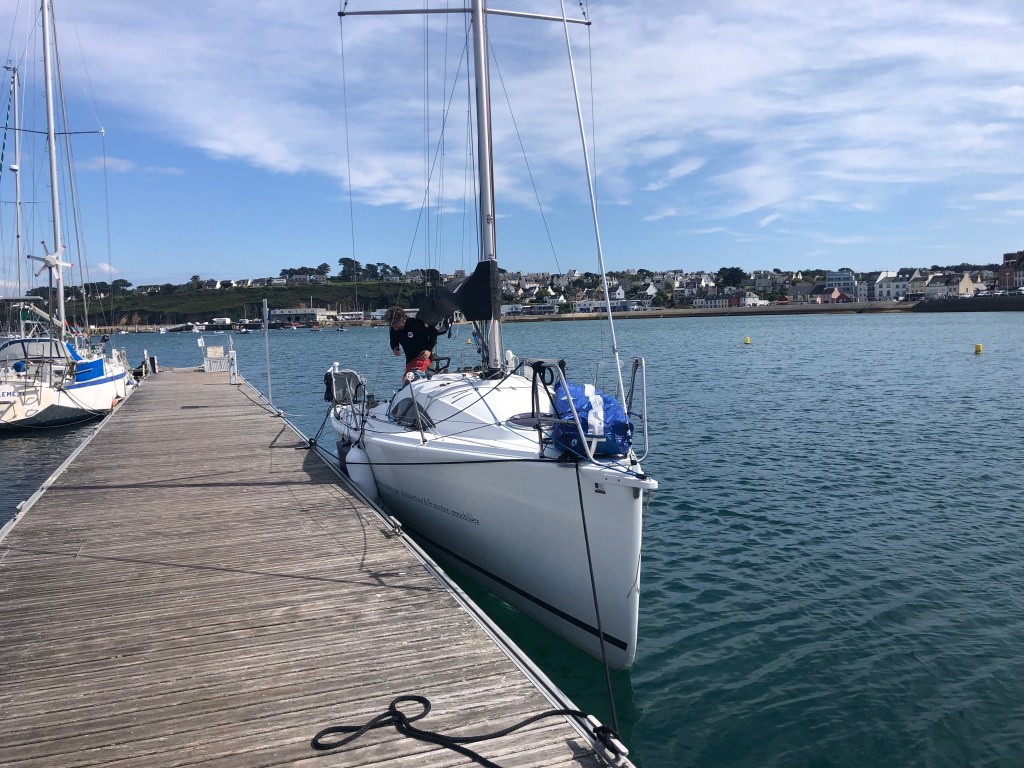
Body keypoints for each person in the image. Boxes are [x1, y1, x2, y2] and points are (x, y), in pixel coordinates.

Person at [384, 306, 438, 383]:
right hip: (410, 359)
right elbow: (393, 340)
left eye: (395, 322)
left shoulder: (415, 323)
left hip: (422, 356)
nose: (393, 325)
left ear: (402, 318)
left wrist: (428, 350)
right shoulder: (393, 328)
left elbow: (434, 332)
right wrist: (395, 348)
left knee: (414, 376)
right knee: (405, 379)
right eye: (390, 323)